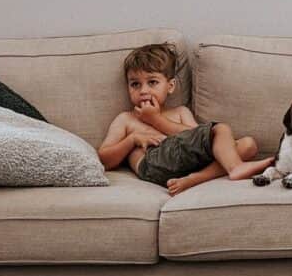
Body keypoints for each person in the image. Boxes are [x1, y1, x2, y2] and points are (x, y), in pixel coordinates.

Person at [98, 42, 274, 196]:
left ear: (170, 86)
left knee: (248, 144)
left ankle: (195, 179)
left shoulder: (180, 112)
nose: (143, 90)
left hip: (189, 165)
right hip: (152, 164)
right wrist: (132, 139)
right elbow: (104, 159)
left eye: (152, 82)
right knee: (221, 129)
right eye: (135, 84)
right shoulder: (126, 119)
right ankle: (235, 168)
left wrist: (156, 119)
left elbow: (196, 137)